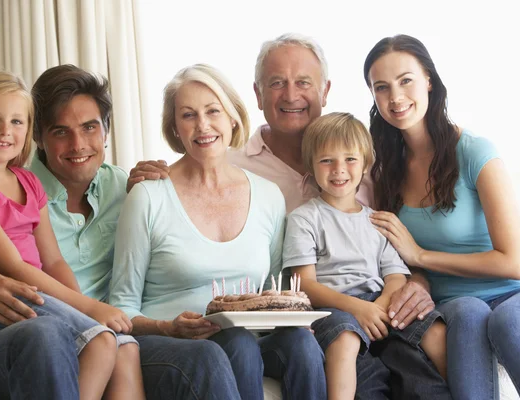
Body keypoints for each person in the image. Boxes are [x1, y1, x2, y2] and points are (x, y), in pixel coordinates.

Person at [126, 33, 450, 399]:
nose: (291, 94)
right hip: (325, 315)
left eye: (303, 83)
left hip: (358, 311)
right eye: (277, 83)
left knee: (418, 364)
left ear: (325, 90)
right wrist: (145, 179)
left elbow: (400, 246)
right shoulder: (225, 162)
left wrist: (416, 283)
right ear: (257, 93)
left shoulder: (364, 165)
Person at [0, 64, 241, 400]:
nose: (78, 144)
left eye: (90, 127)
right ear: (40, 138)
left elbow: (57, 262)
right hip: (22, 324)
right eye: (61, 131)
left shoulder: (128, 188)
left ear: (106, 131)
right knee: (55, 335)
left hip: (102, 322)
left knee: (181, 353)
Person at [109, 63, 326, 400]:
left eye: (213, 111)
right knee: (236, 343)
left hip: (246, 339)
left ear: (233, 118)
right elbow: (121, 306)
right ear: (174, 128)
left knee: (301, 343)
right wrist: (169, 328)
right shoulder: (148, 196)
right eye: (188, 115)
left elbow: (273, 291)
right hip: (169, 342)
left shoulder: (268, 196)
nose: (203, 125)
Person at [0, 71, 143, 399]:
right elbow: (13, 266)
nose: (5, 131)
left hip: (31, 294)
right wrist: (88, 307)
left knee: (112, 342)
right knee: (92, 339)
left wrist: (84, 310)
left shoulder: (28, 183)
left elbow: (53, 260)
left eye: (17, 121)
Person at [364, 34, 520, 400]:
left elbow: (515, 263)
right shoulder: (383, 169)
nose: (395, 97)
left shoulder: (475, 153)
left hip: (514, 295)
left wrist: (421, 256)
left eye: (406, 80)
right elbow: (395, 257)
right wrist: (418, 278)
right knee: (468, 312)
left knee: (506, 321)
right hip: (450, 303)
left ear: (429, 81)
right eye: (382, 87)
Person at [283, 112, 447, 400]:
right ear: (311, 165)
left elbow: (395, 276)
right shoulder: (304, 218)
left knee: (432, 329)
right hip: (333, 308)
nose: (338, 169)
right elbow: (304, 284)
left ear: (364, 166)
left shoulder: (377, 221)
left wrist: (381, 306)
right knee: (346, 338)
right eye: (326, 160)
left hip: (381, 305)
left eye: (350, 159)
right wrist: (357, 309)